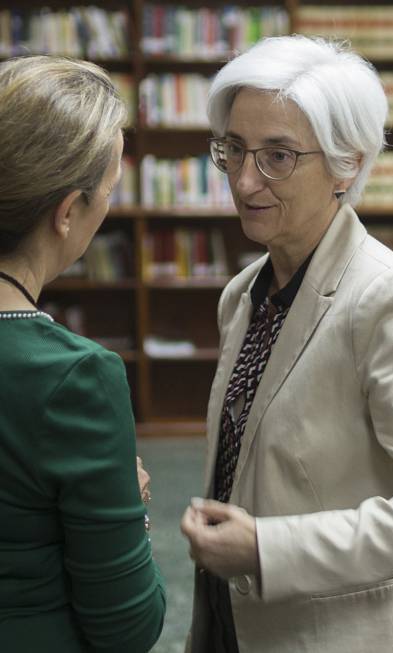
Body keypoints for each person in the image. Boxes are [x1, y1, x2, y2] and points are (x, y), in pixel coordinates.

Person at [179, 36, 393, 652]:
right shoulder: (244, 294)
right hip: (236, 625)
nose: (244, 181)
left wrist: (271, 549)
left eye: (277, 156)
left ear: (347, 163)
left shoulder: (386, 298)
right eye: (234, 150)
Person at [0, 56, 166, 651]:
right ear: (67, 213)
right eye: (107, 195)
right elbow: (127, 626)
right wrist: (131, 503)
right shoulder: (74, 377)